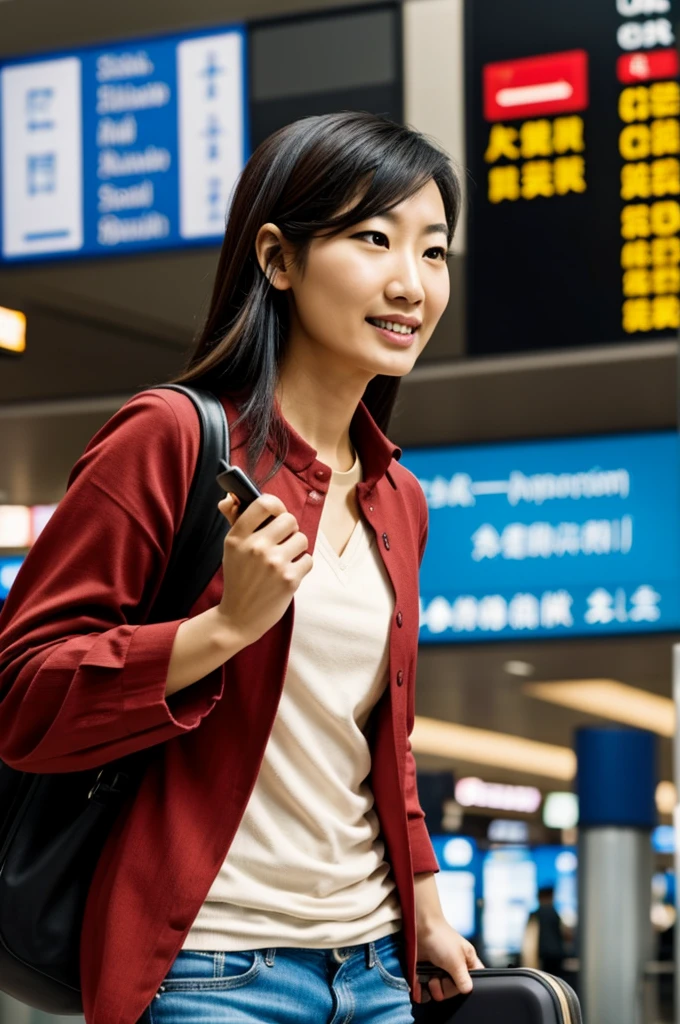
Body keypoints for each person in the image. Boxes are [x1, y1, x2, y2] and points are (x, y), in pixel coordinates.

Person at [0, 111, 483, 1024]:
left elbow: (383, 739)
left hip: (376, 970)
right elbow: (22, 694)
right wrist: (219, 631)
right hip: (210, 971)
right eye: (374, 238)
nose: (409, 282)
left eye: (433, 252)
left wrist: (423, 898)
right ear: (277, 258)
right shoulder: (170, 438)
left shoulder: (398, 497)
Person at [521, 886, 567, 978]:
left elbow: (529, 940)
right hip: (556, 955)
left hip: (542, 956)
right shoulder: (555, 914)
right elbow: (564, 934)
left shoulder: (535, 914)